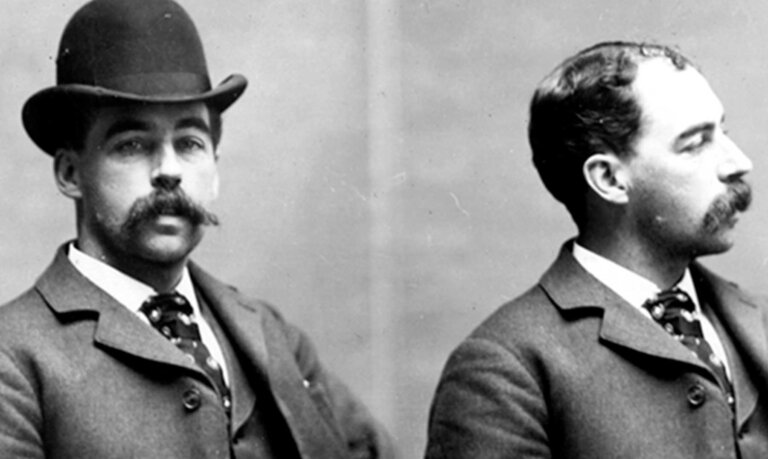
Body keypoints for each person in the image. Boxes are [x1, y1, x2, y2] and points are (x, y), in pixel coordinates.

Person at [0, 0, 394, 457]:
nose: (169, 170)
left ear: (215, 169)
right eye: (132, 145)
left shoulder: (272, 336)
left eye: (189, 143)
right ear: (70, 173)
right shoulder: (14, 358)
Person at [426, 41, 768, 458]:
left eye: (723, 133)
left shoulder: (756, 321)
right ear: (609, 179)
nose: (738, 162)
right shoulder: (506, 370)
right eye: (696, 143)